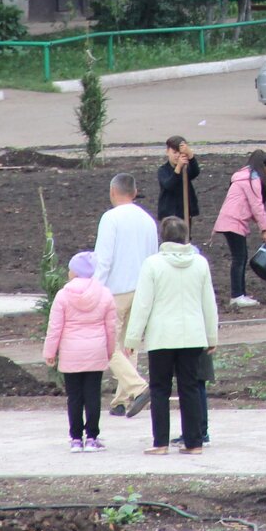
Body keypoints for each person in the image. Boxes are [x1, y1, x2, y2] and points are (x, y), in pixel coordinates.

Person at [125, 216, 219, 455]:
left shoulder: (152, 264)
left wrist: (133, 339)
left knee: (159, 389)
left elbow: (143, 304)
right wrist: (211, 337)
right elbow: (208, 303)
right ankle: (195, 443)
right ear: (185, 236)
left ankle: (160, 443)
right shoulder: (200, 263)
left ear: (163, 237)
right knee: (189, 388)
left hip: (161, 337)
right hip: (193, 336)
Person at [93, 173, 158, 418]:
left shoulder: (110, 219)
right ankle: (120, 401)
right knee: (129, 344)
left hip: (115, 291)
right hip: (141, 289)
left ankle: (138, 387)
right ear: (134, 191)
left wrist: (95, 289)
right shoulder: (148, 220)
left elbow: (104, 259)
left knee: (107, 344)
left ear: (112, 192)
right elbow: (152, 257)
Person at [42, 251, 117, 453]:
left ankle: (76, 438)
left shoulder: (63, 296)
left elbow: (55, 327)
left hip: (70, 353)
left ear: (74, 273)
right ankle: (92, 437)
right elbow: (111, 328)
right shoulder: (105, 294)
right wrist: (110, 351)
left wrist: (50, 352)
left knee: (74, 397)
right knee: (93, 395)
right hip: (96, 352)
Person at [212, 150, 266, 307]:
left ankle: (240, 294)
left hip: (229, 220)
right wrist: (264, 230)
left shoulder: (243, 176)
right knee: (239, 258)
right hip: (234, 222)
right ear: (264, 166)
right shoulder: (252, 180)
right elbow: (256, 206)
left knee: (240, 257)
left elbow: (250, 206)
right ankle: (237, 296)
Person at [157, 135, 200, 226]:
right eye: (174, 152)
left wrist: (191, 156)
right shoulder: (163, 170)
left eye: (180, 153)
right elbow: (169, 185)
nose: (177, 156)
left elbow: (195, 172)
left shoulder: (185, 169)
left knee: (185, 234)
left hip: (185, 210)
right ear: (167, 152)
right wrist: (178, 167)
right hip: (169, 212)